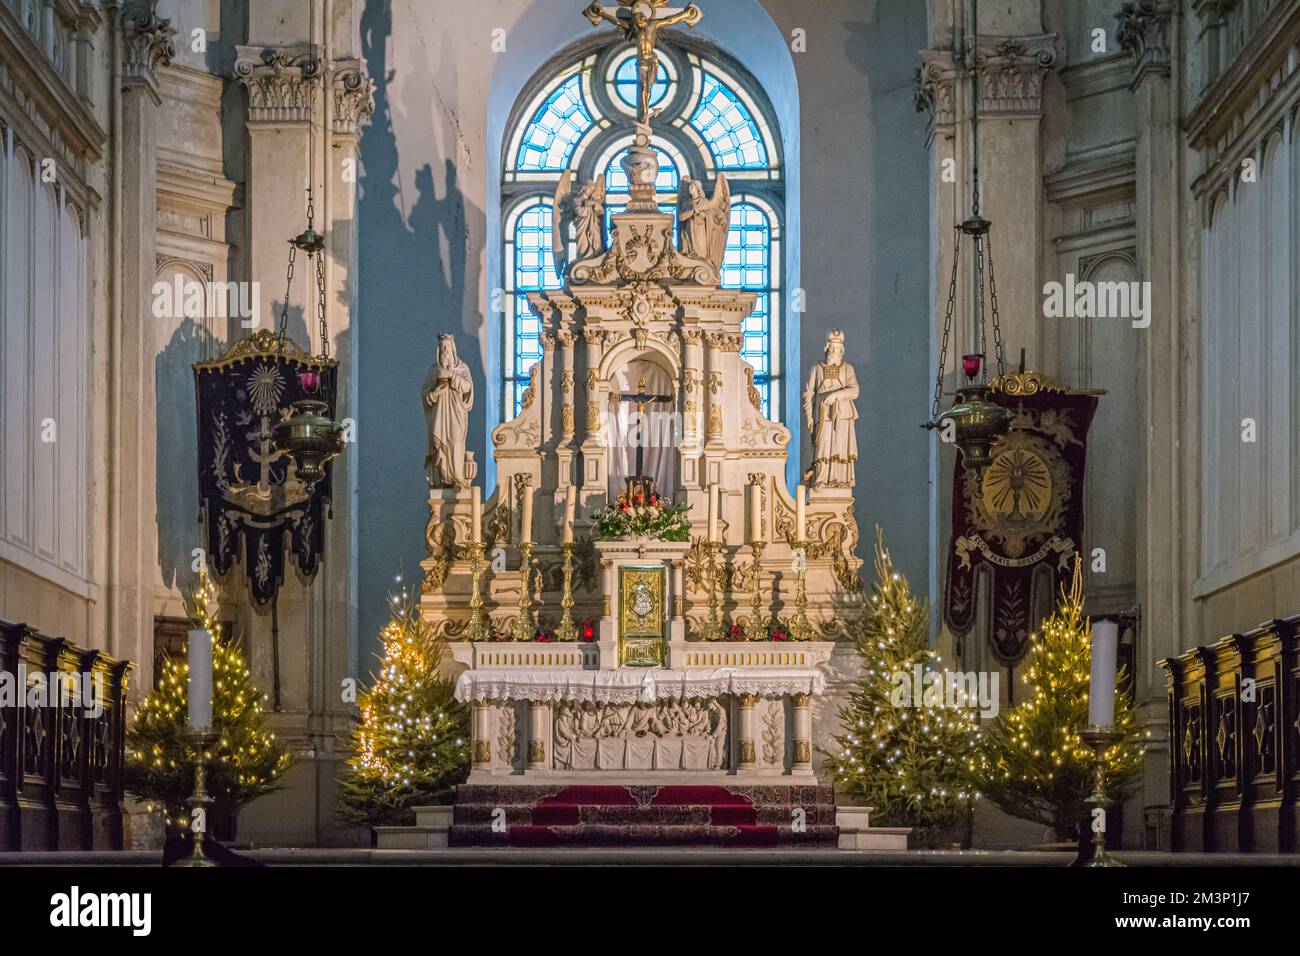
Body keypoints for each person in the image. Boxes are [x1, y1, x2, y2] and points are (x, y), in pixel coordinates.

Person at [423, 334, 474, 487]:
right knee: (440, 446)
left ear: (453, 350)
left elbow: (467, 387)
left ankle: (457, 478)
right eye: (442, 348)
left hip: (456, 413)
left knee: (456, 442)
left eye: (448, 347)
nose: (445, 351)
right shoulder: (434, 371)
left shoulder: (462, 368)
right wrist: (435, 392)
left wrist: (451, 376)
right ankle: (443, 479)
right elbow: (425, 394)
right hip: (438, 416)